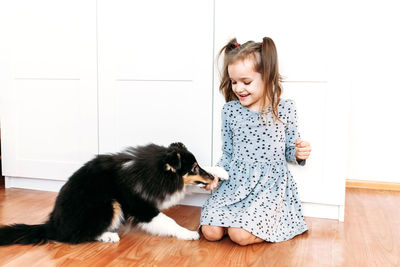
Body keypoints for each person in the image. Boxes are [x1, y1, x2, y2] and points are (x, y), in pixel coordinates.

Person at [200, 37, 312, 246]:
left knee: (239, 235)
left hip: (268, 186)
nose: (238, 88)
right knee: (210, 232)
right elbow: (228, 153)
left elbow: (288, 149)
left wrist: (298, 153)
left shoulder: (284, 109)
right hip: (235, 182)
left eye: (246, 82)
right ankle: (234, 219)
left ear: (267, 76)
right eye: (234, 82)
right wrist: (215, 175)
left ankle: (252, 224)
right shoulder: (230, 111)